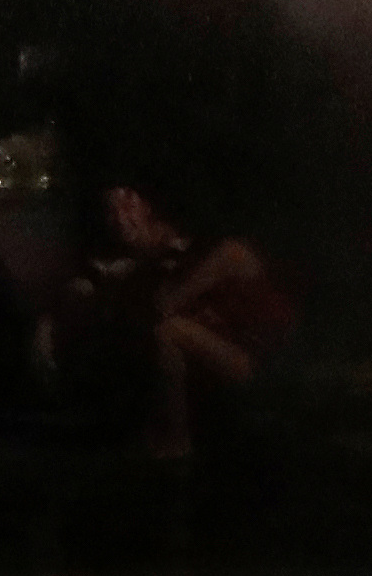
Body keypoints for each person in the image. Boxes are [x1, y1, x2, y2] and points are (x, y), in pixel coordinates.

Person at [53, 184, 295, 460]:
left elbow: (228, 263)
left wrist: (170, 297)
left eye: (128, 204)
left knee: (173, 325)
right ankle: (170, 435)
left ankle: (177, 440)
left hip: (253, 353)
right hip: (203, 347)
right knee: (164, 331)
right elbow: (87, 286)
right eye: (111, 211)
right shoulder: (123, 263)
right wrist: (51, 320)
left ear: (147, 207)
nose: (120, 218)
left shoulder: (187, 247)